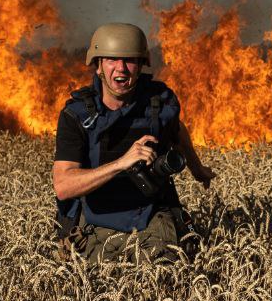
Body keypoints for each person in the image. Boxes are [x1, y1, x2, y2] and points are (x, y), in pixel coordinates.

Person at [52, 23, 216, 262]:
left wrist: (197, 168)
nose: (121, 69)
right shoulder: (77, 115)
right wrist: (121, 163)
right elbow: (63, 185)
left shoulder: (157, 103)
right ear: (98, 65)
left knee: (166, 276)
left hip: (150, 216)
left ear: (140, 66)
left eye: (130, 60)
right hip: (98, 219)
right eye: (111, 60)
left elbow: (177, 129)